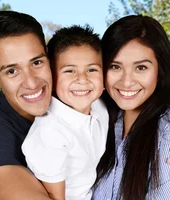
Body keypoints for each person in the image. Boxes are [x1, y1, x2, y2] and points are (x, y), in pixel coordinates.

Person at [0, 11, 170, 199]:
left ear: (50, 59)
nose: (32, 83)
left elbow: (131, 88)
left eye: (36, 63)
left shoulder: (86, 98)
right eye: (11, 71)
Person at [93, 15, 170, 200]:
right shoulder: (101, 119)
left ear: (160, 71)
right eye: (115, 66)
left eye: (141, 68)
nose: (127, 81)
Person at [21, 25, 107, 200]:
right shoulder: (50, 132)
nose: (82, 79)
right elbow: (54, 197)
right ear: (52, 77)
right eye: (69, 70)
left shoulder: (99, 105)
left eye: (92, 69)